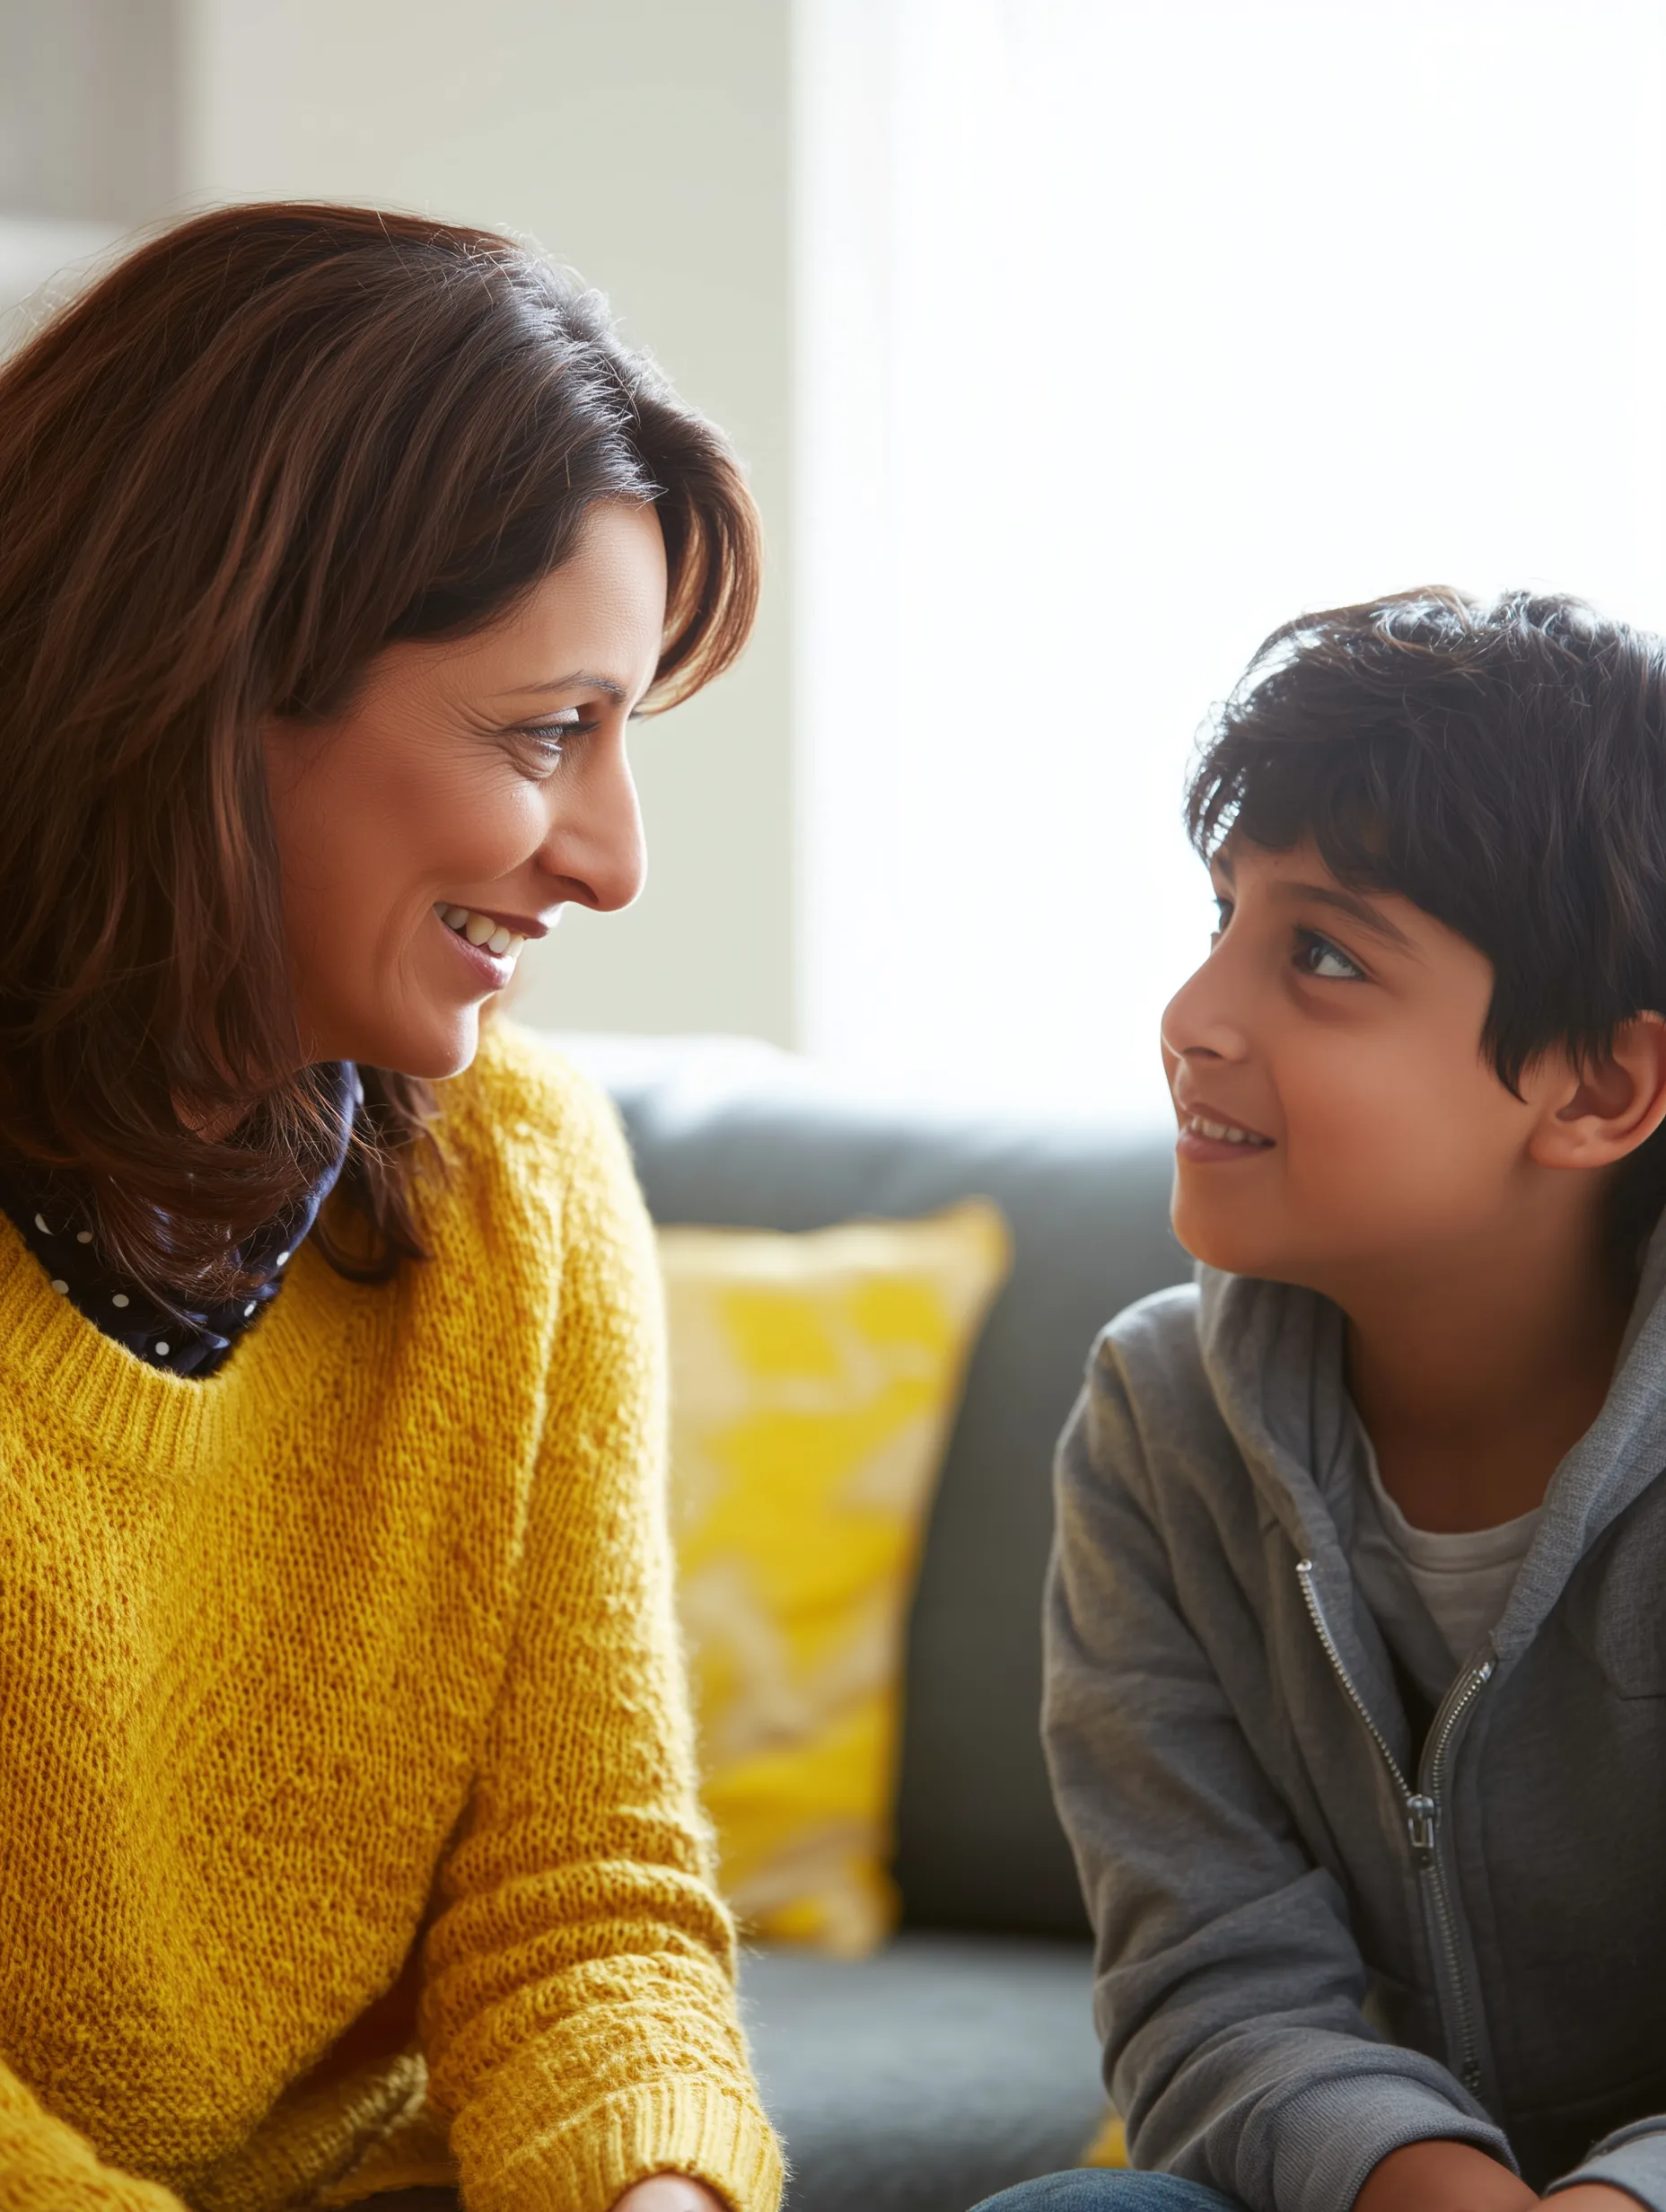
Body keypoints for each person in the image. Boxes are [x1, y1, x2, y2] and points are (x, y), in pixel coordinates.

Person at [0, 202, 781, 2212]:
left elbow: (581, 1902)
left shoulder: (521, 1184)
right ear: (209, 683)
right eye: (545, 733)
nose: (610, 860)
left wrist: (656, 2196)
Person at [974, 590, 1666, 2212]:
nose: (1194, 1018)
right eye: (1221, 917)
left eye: (1325, 954)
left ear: (1600, 1088)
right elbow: (1210, 1988)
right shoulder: (1159, 1420)